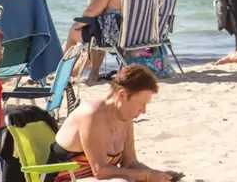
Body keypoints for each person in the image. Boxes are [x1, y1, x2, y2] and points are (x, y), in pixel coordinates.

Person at [44, 65, 179, 181]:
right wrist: (147, 176)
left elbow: (130, 163)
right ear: (122, 95)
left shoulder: (125, 118)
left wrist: (159, 175)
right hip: (65, 178)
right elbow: (100, 170)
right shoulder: (92, 115)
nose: (143, 111)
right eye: (141, 104)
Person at [64, 0, 140, 84]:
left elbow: (92, 11)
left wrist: (80, 23)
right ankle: (76, 72)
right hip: (142, 33)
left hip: (116, 36)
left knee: (77, 31)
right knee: (96, 30)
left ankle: (66, 74)